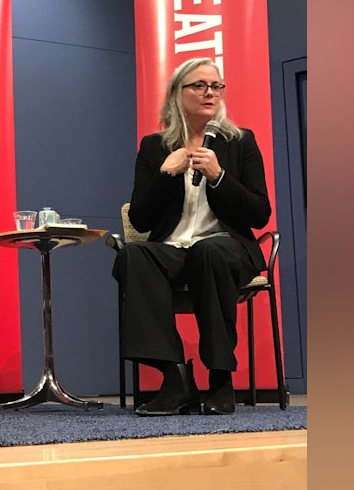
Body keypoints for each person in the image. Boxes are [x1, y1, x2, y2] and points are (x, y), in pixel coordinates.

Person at [112, 58, 271, 416]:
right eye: (199, 85)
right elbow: (140, 218)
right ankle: (175, 378)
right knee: (132, 256)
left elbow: (260, 213)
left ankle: (220, 378)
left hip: (225, 248)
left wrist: (218, 177)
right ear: (176, 94)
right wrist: (165, 176)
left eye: (216, 86)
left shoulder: (240, 142)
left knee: (209, 251)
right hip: (174, 250)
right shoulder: (155, 147)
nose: (209, 93)